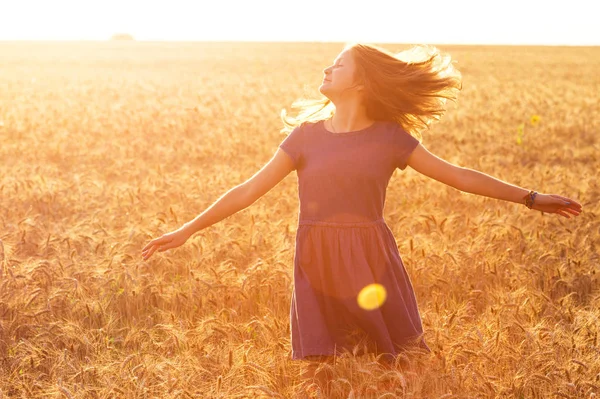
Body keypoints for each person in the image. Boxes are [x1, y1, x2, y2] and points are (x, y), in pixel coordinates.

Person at [142, 43, 583, 393]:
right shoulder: (305, 137)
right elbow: (247, 190)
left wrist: (529, 197)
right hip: (316, 265)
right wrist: (186, 230)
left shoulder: (390, 138)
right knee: (323, 376)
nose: (326, 70)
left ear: (361, 83)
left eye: (337, 65)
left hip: (371, 262)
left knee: (396, 369)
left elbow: (458, 176)